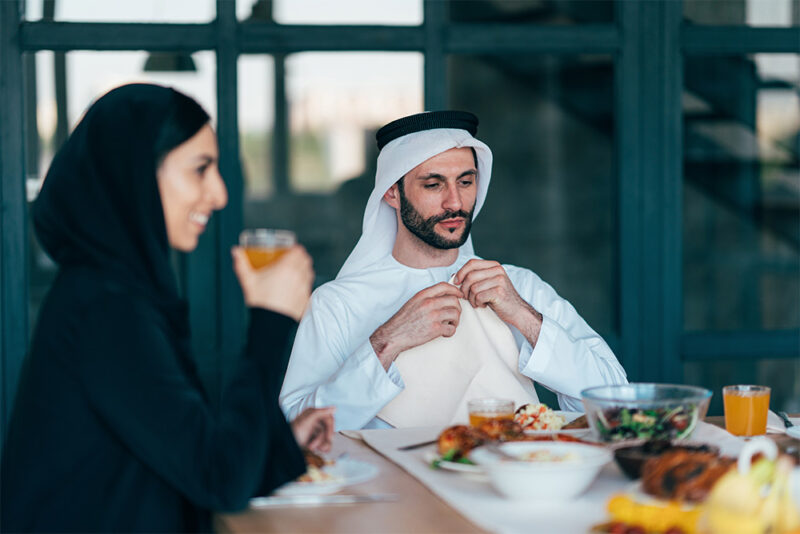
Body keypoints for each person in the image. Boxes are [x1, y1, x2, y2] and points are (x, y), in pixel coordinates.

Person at [0, 84, 334, 532]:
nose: (219, 195)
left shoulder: (113, 292)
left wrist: (278, 444)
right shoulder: (106, 308)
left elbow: (190, 454)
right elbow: (219, 480)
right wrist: (271, 321)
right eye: (200, 169)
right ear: (134, 176)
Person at [280, 110, 627, 430]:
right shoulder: (336, 303)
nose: (455, 203)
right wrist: (389, 340)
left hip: (517, 486)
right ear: (391, 193)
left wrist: (522, 315)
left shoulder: (519, 286)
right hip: (396, 494)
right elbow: (298, 430)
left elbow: (615, 400)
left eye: (465, 181)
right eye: (433, 185)